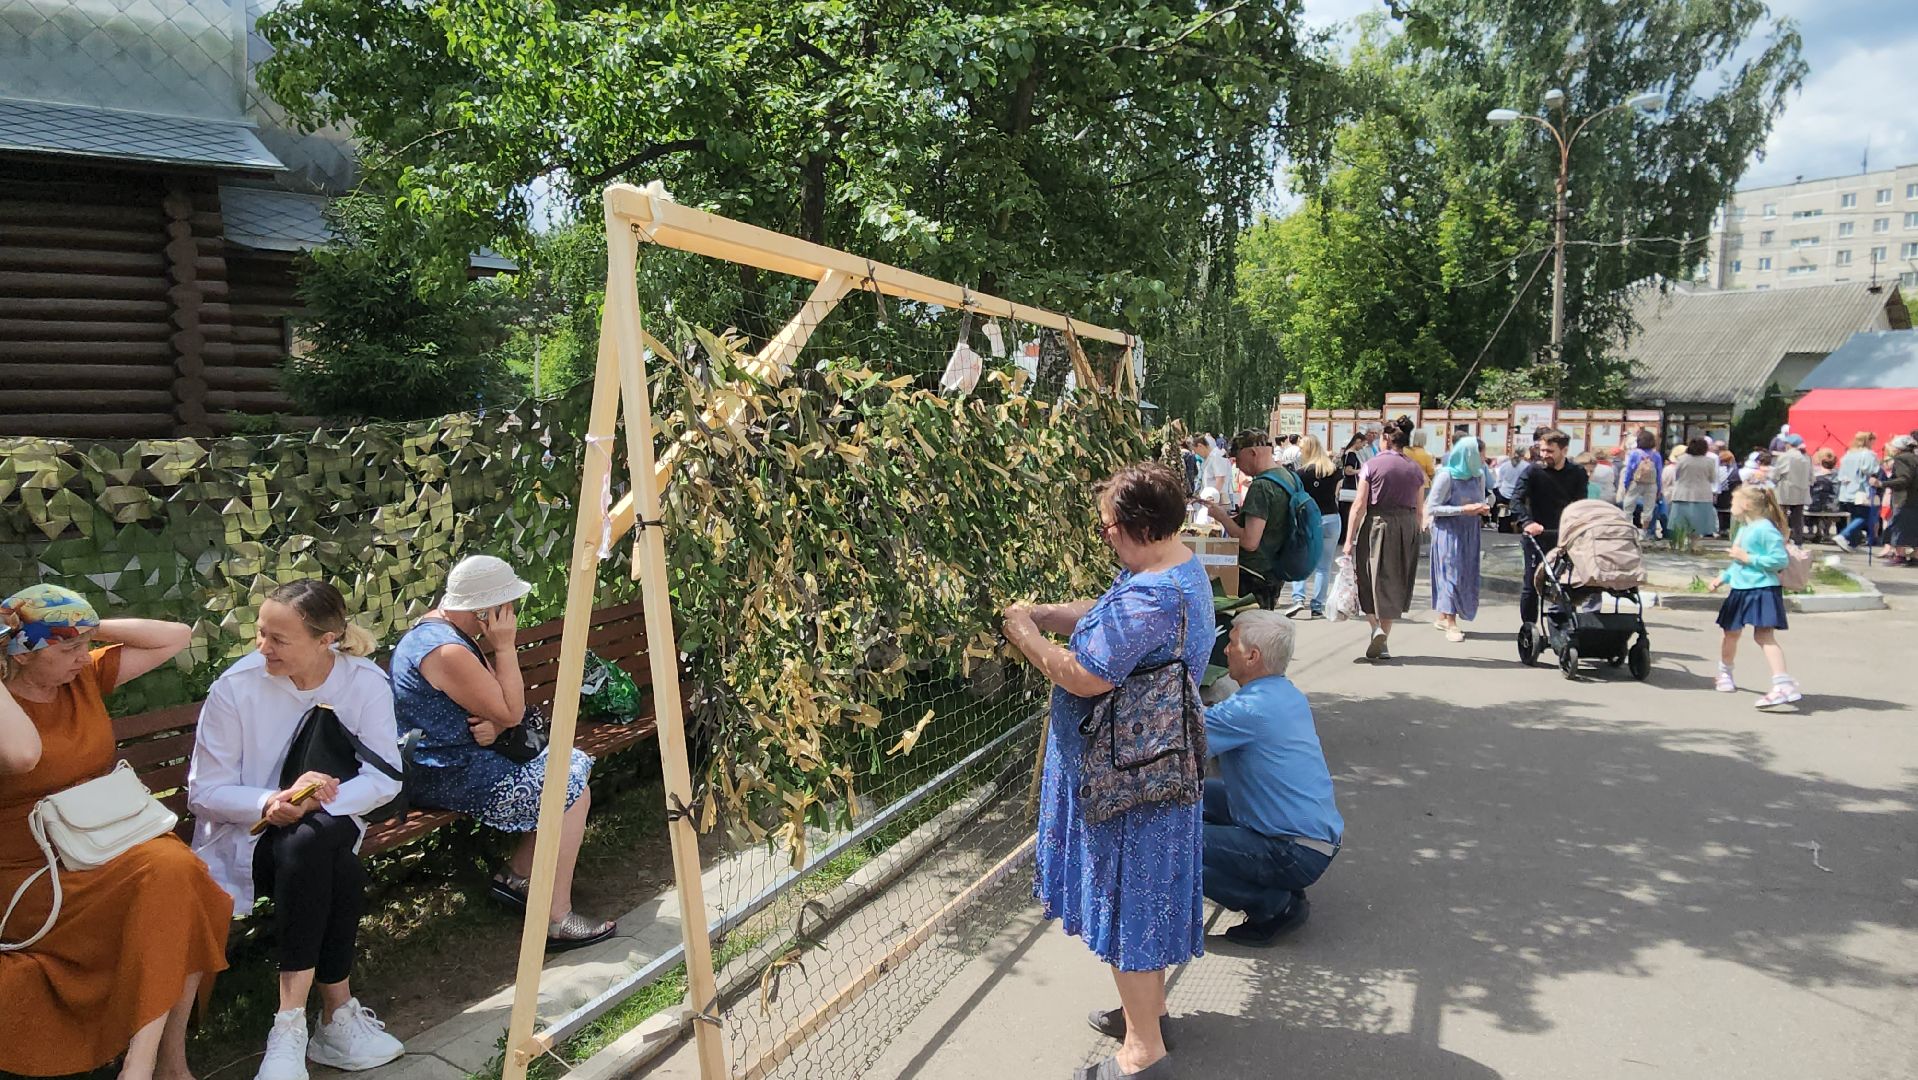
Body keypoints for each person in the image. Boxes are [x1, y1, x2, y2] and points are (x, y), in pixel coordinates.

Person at [1002, 462, 1208, 1080]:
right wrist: (1049, 613)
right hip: (1148, 767)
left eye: (1107, 528)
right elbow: (1107, 614)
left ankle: (1143, 1053)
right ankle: (1148, 1013)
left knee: (1129, 904)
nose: (1105, 537)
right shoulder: (1173, 563)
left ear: (1137, 529)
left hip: (1129, 781)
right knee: (1141, 898)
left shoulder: (1152, 595)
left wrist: (1024, 636)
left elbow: (1084, 674)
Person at [0, 585, 230, 1080]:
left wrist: (82, 625)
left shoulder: (81, 677)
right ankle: (156, 1067)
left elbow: (174, 637)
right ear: (22, 654)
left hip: (107, 847)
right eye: (66, 649)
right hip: (36, 874)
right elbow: (23, 757)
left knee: (179, 877)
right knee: (174, 877)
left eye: (85, 646)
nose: (83, 657)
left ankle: (150, 1065)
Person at [189, 581, 407, 1079]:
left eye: (279, 639)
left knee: (315, 841)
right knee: (335, 862)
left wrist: (313, 801)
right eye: (261, 634)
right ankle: (333, 1018)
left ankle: (290, 1029)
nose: (263, 648)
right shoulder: (236, 688)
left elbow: (384, 777)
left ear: (326, 639)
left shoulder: (363, 682)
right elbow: (203, 792)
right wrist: (269, 801)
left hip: (321, 831)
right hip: (245, 839)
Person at [390, 555, 615, 951]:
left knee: (569, 767)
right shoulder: (446, 651)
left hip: (461, 757)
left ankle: (517, 877)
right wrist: (505, 648)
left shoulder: (439, 629)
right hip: (447, 771)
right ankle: (556, 918)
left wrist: (499, 723)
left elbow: (498, 706)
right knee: (570, 786)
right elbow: (512, 709)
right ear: (483, 610)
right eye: (506, 606)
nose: (510, 614)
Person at [1199, 611, 1341, 946]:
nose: (1225, 651)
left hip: (1294, 850)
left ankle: (1273, 905)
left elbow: (1182, 743)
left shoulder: (1247, 710)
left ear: (1253, 656)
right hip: (1313, 839)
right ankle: (1279, 887)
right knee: (1197, 797)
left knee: (1172, 840)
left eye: (1231, 643)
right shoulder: (1283, 694)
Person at [1709, 487, 1801, 708]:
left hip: (1762, 589)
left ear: (1747, 505)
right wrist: (1724, 577)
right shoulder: (1745, 528)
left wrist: (1748, 557)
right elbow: (1738, 562)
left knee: (1764, 636)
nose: (1730, 506)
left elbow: (1779, 560)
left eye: (1734, 502)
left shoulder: (1765, 529)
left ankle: (1782, 683)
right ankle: (1725, 673)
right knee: (1730, 632)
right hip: (1741, 588)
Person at [1343, 423, 1424, 661]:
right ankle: (1384, 639)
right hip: (1407, 525)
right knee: (1394, 581)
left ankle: (1374, 627)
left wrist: (1349, 539)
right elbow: (1420, 510)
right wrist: (1414, 533)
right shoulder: (1416, 469)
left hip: (1379, 522)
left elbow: (1359, 505)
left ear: (1387, 439)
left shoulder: (1371, 465)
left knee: (1367, 575)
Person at [1512, 429, 1589, 628]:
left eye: (1550, 451)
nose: (1544, 455)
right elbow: (1517, 500)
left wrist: (1577, 527)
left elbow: (1580, 503)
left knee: (1568, 583)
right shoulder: (1533, 471)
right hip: (1537, 534)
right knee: (1531, 584)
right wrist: (1527, 523)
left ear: (1564, 450)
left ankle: (1565, 624)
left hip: (1564, 536)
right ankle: (1528, 627)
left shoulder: (1577, 473)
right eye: (1542, 450)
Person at [1426, 436, 1490, 643]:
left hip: (1470, 531)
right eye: (1481, 453)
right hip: (1448, 531)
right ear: (1469, 454)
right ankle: (1452, 624)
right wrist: (1462, 509)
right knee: (1450, 573)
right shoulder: (1446, 476)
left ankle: (1443, 615)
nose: (1484, 458)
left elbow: (1481, 498)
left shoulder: (1478, 476)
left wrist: (1483, 506)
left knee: (1465, 573)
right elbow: (1433, 508)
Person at [1284, 436, 1344, 619]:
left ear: (1307, 451)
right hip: (1332, 519)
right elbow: (1336, 494)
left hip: (1310, 519)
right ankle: (1318, 606)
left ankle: (1298, 599)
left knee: (1301, 560)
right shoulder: (1334, 470)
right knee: (1323, 567)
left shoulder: (1301, 473)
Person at [1835, 432, 1880, 552]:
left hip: (1847, 490)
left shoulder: (1848, 454)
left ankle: (1853, 544)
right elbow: (1870, 470)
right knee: (1863, 516)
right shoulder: (1869, 454)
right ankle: (1844, 535)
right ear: (1868, 441)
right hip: (1861, 489)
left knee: (1855, 516)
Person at [1877, 434, 1918, 564]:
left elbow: (1903, 479)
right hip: (1914, 498)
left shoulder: (1901, 459)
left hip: (1904, 498)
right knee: (1912, 527)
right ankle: (1914, 555)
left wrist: (1882, 484)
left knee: (1898, 525)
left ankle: (1900, 555)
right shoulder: (1915, 458)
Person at [1668, 438, 1719, 540]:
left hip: (1682, 494)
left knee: (1681, 522)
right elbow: (1712, 478)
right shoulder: (1709, 461)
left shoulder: (1681, 459)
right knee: (1698, 522)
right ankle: (1695, 543)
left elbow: (1676, 476)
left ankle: (1681, 542)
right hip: (1702, 495)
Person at [1618, 429, 1663, 538]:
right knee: (1648, 508)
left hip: (1636, 482)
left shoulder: (1634, 454)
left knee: (1628, 506)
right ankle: (1644, 531)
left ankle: (1627, 530)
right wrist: (1659, 488)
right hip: (1651, 484)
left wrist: (1626, 483)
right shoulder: (1656, 455)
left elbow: (1629, 470)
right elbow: (1659, 472)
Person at [1773, 434, 1812, 543]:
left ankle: (1781, 539)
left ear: (1789, 445)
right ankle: (1798, 540)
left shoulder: (1785, 456)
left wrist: (1773, 481)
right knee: (1798, 518)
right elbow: (1811, 476)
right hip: (1802, 491)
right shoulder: (1806, 457)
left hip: (1785, 490)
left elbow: (1776, 474)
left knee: (1781, 516)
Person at [1337, 432, 1369, 546]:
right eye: (1362, 444)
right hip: (1350, 486)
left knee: (1346, 512)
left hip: (1348, 485)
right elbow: (1348, 470)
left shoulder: (1348, 453)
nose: (1362, 447)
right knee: (1348, 512)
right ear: (1358, 441)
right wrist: (1360, 471)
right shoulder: (1351, 454)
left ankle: (1344, 536)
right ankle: (1346, 537)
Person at [1200, 436, 1236, 511]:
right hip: (1215, 496)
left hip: (1218, 498)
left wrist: (1212, 497)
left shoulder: (1217, 455)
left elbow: (1220, 479)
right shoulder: (1214, 455)